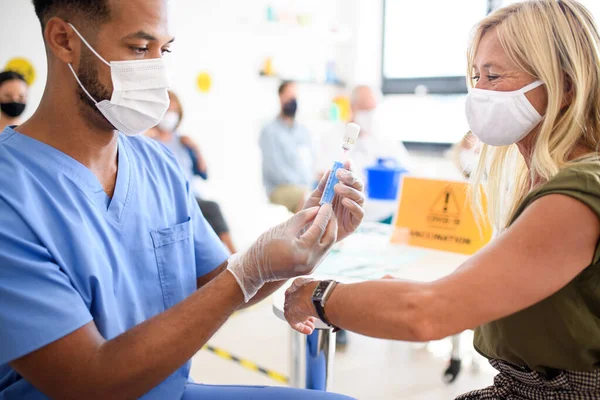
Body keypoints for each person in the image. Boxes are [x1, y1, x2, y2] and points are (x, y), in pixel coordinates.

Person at [0, 1, 366, 399]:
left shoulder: (156, 163)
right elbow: (88, 381)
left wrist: (304, 238)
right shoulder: (12, 191)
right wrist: (246, 274)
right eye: (140, 49)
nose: (157, 71)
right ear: (64, 39)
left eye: (165, 50)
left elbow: (221, 283)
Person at [284, 1, 600, 399]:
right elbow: (513, 292)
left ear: (565, 83)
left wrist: (318, 296)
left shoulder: (578, 192)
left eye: (494, 76)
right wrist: (415, 293)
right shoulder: (548, 180)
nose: (478, 94)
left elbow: (427, 315)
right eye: (475, 77)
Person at [150, 90, 237, 253]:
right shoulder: (148, 142)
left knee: (208, 212)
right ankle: (234, 256)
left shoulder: (184, 142)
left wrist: (196, 149)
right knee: (211, 208)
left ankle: (231, 256)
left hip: (192, 196)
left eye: (174, 111)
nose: (170, 115)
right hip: (168, 199)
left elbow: (203, 173)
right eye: (167, 110)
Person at [318, 86, 411, 183]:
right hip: (343, 195)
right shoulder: (332, 136)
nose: (370, 115)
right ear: (352, 107)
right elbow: (321, 174)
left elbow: (407, 169)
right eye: (365, 109)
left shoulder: (384, 136)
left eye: (373, 110)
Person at [260, 81, 314, 214]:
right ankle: (302, 234)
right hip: (279, 189)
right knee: (309, 198)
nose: (292, 100)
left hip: (303, 187)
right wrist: (302, 186)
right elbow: (275, 168)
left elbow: (309, 161)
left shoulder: (303, 131)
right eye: (289, 95)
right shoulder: (270, 131)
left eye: (295, 96)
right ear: (280, 97)